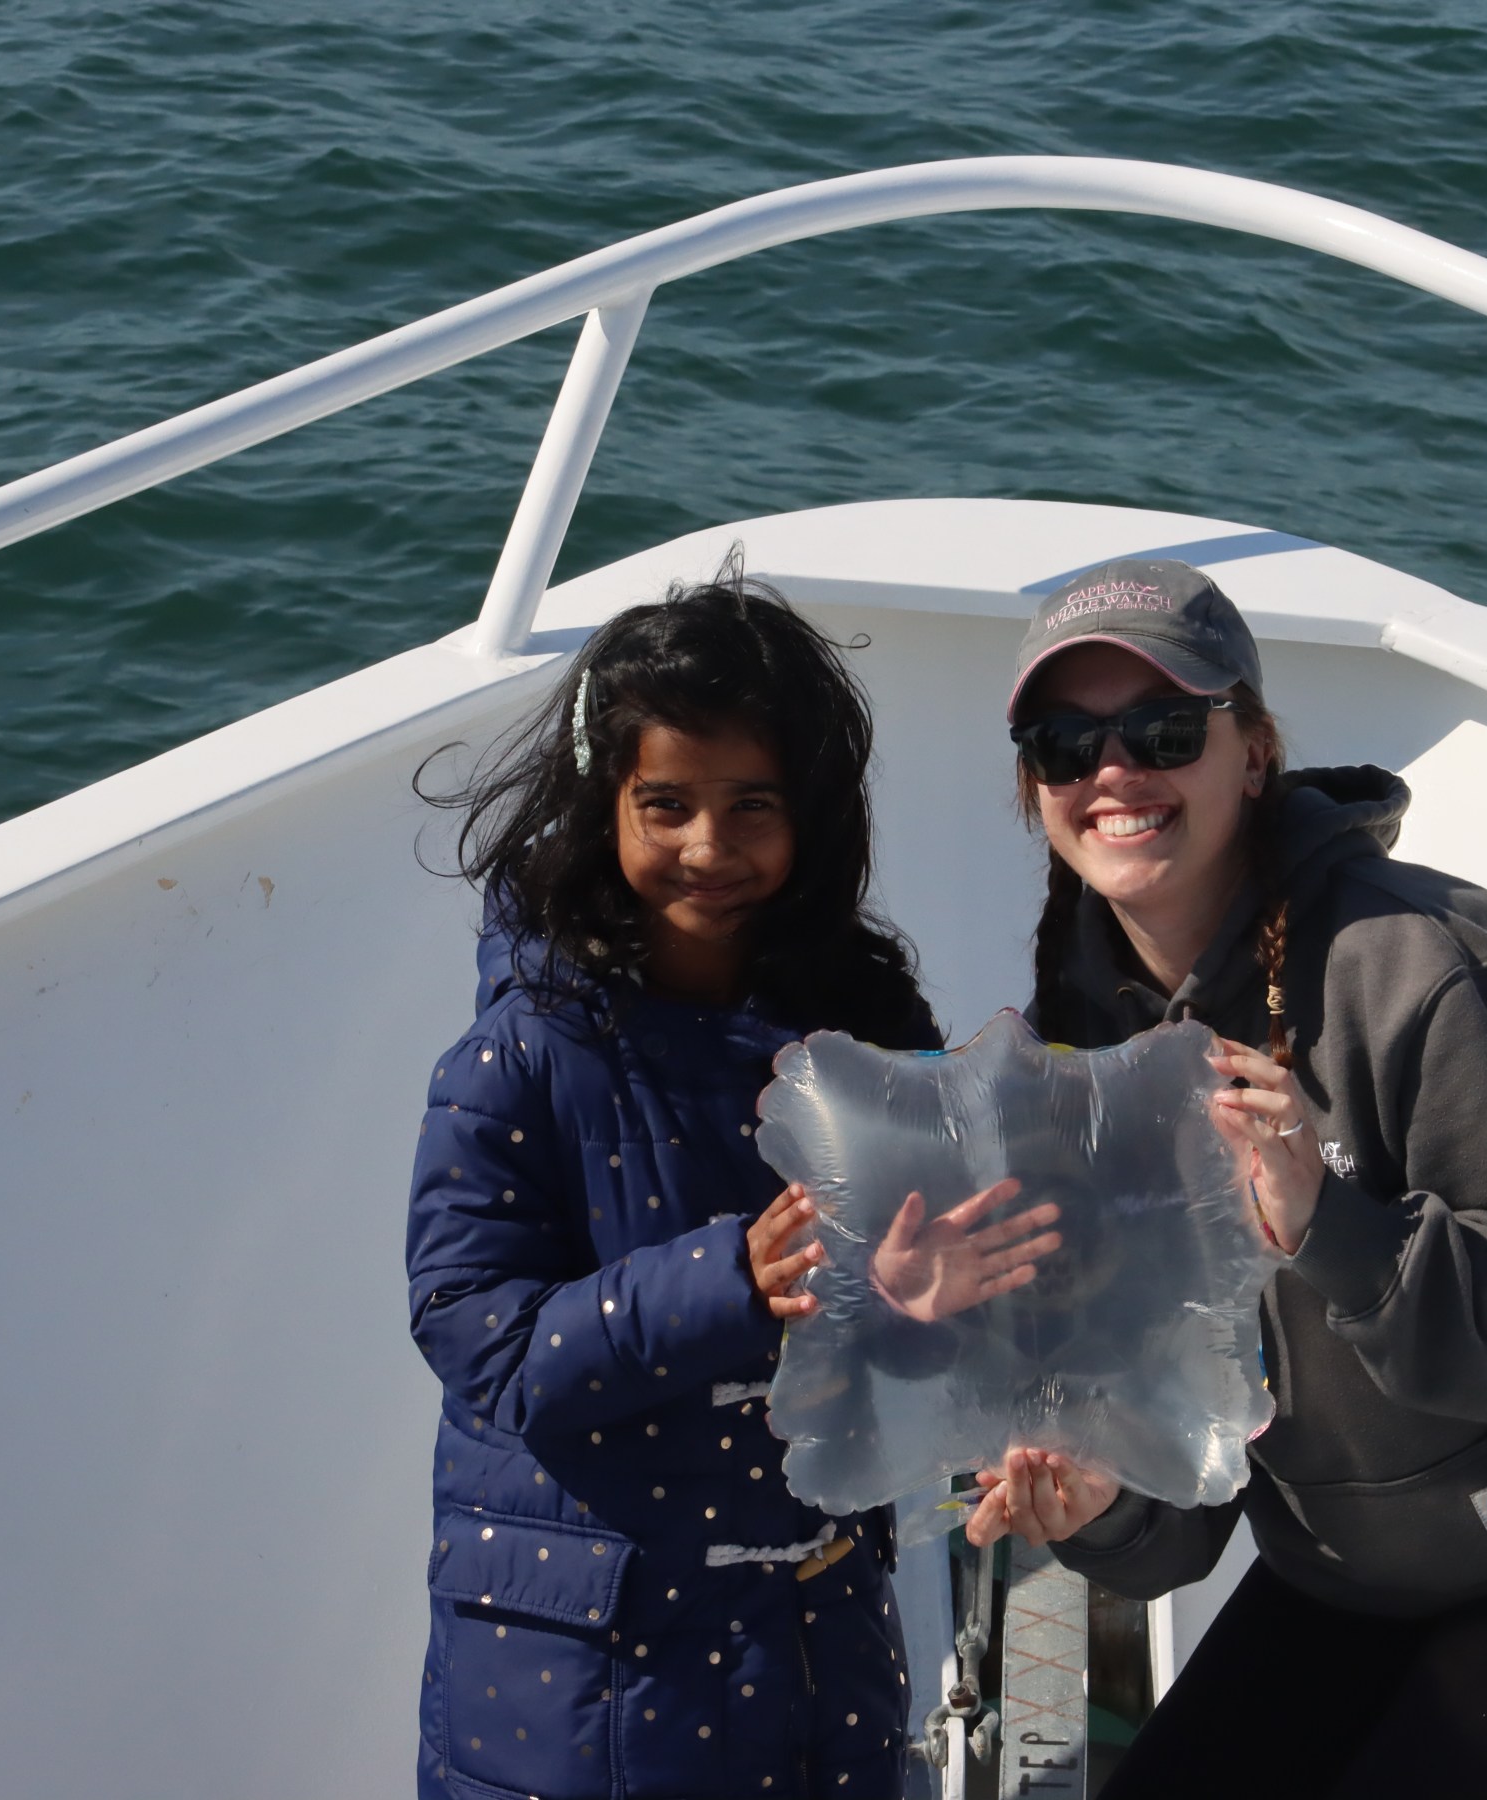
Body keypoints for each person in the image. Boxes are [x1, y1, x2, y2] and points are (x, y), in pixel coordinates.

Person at [961, 558, 1487, 1799]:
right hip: (1361, 1563)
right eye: (1064, 743)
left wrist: (1331, 1224)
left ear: (1252, 751)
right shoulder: (1085, 1047)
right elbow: (1185, 1520)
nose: (1114, 773)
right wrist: (1101, 1496)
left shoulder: (1429, 974)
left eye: (1161, 729)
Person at [405, 565, 1057, 1800]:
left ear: (813, 813)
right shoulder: (518, 1056)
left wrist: (937, 1316)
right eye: (667, 805)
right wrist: (733, 1282)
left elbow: (908, 1322)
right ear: (607, 806)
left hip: (816, 1646)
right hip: (589, 1681)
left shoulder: (868, 1024)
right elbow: (483, 1348)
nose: (709, 847)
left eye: (752, 804)